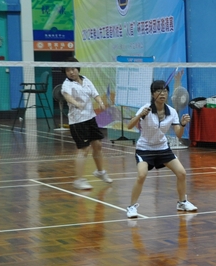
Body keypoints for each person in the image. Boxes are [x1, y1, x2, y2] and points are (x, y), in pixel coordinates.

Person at [125, 80, 197, 219]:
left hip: (162, 148)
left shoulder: (172, 112)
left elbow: (178, 134)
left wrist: (182, 125)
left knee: (181, 173)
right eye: (158, 91)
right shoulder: (146, 108)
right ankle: (131, 207)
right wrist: (140, 115)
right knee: (142, 175)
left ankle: (182, 202)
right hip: (144, 149)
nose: (162, 94)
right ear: (153, 94)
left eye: (164, 91)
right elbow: (129, 126)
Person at [60, 57, 113, 189]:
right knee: (84, 149)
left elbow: (95, 94)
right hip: (77, 121)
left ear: (77, 68)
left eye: (73, 69)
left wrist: (100, 102)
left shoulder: (86, 80)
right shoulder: (67, 84)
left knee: (98, 145)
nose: (71, 72)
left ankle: (100, 172)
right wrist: (76, 103)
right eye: (67, 70)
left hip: (90, 118)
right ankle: (79, 180)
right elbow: (67, 96)